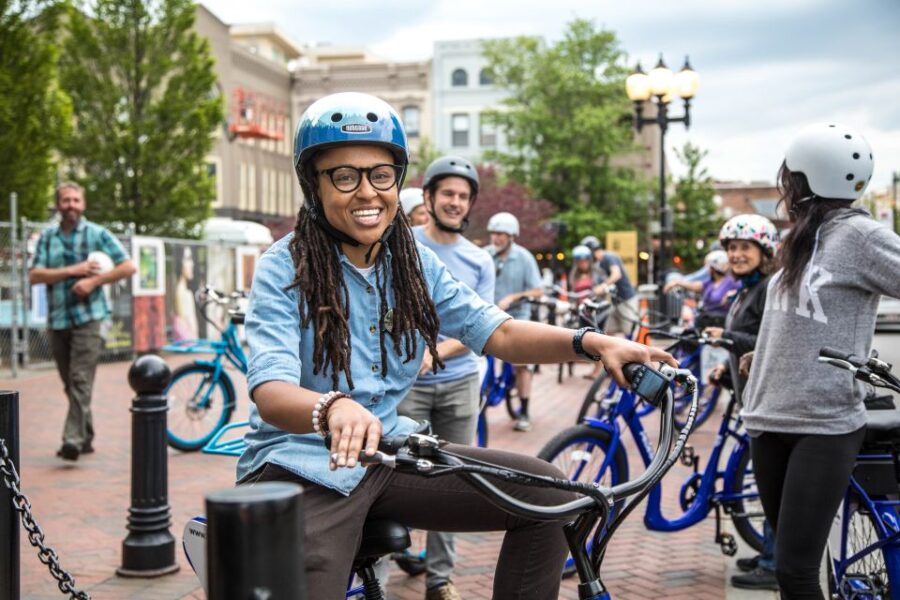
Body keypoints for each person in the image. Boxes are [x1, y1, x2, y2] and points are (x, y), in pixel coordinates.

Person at [237, 92, 674, 600]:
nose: (367, 192)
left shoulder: (411, 261)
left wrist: (593, 343)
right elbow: (270, 390)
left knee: (552, 498)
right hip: (303, 464)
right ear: (313, 184)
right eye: (343, 175)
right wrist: (333, 407)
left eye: (381, 174)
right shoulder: (283, 266)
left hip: (388, 454)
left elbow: (501, 332)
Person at [742, 123, 900, 598]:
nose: (785, 188)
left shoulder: (860, 236)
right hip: (768, 418)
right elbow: (798, 318)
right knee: (796, 565)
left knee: (793, 571)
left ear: (809, 181)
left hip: (823, 423)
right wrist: (763, 352)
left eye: (790, 179)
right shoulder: (804, 239)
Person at [397, 155, 493, 599]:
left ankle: (440, 581)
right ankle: (372, 569)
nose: (455, 202)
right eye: (447, 194)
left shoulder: (479, 261)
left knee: (454, 480)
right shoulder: (402, 244)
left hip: (458, 383)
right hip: (404, 386)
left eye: (462, 196)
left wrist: (434, 354)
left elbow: (484, 327)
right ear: (429, 197)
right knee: (389, 475)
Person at [28, 182, 136, 461]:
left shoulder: (97, 234)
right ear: (58, 204)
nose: (71, 205)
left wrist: (94, 281)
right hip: (57, 320)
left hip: (90, 318)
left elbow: (128, 266)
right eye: (66, 200)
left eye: (76, 200)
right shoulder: (47, 238)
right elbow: (35, 275)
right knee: (71, 383)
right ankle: (85, 435)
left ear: (83, 204)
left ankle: (72, 440)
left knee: (79, 380)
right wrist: (73, 271)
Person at [702, 214, 780, 592]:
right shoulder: (745, 290)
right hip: (751, 395)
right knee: (767, 483)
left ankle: (773, 563)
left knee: (773, 485)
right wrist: (724, 371)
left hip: (769, 400)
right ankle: (769, 551)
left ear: (764, 252)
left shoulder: (768, 288)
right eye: (731, 248)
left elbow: (767, 338)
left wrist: (727, 336)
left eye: (744, 247)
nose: (735, 254)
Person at [486, 211, 544, 432]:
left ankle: (524, 411)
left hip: (518, 317)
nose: (496, 238)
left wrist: (513, 297)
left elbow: (538, 290)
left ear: (512, 236)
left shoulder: (524, 258)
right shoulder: (485, 255)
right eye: (494, 233)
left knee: (521, 365)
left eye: (501, 234)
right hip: (491, 315)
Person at [664, 249, 739, 330]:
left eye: (709, 267)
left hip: (720, 325)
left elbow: (740, 292)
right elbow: (693, 285)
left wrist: (732, 295)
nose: (707, 270)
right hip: (704, 322)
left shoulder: (731, 282)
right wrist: (676, 282)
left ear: (715, 267)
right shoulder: (709, 283)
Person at [580, 235, 638, 335]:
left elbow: (616, 274)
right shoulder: (600, 264)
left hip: (626, 299)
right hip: (615, 302)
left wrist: (602, 287)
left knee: (629, 331)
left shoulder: (609, 257)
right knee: (608, 330)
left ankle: (634, 350)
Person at [171, 246, 200, 340]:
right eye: (187, 259)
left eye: (191, 259)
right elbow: (186, 325)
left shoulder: (184, 291)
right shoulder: (181, 292)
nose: (192, 264)